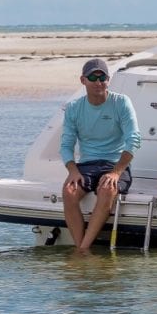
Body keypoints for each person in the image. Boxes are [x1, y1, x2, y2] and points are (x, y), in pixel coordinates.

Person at [60, 57, 142, 251]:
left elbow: (134, 139)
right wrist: (72, 170)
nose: (98, 82)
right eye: (93, 77)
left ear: (108, 79)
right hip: (86, 165)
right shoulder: (73, 108)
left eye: (102, 77)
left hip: (115, 164)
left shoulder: (121, 102)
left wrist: (116, 172)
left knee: (107, 189)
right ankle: (82, 248)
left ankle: (82, 249)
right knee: (68, 191)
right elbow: (66, 145)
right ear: (83, 80)